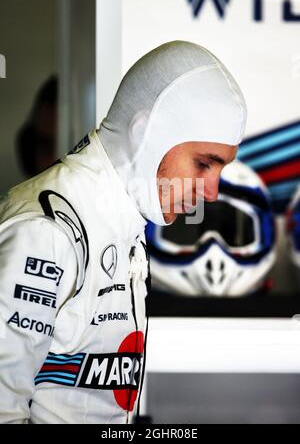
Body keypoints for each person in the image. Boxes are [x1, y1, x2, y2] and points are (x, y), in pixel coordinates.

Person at [0, 40, 247, 424]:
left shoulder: (123, 221)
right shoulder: (48, 231)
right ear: (145, 133)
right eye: (203, 163)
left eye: (222, 169)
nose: (212, 192)